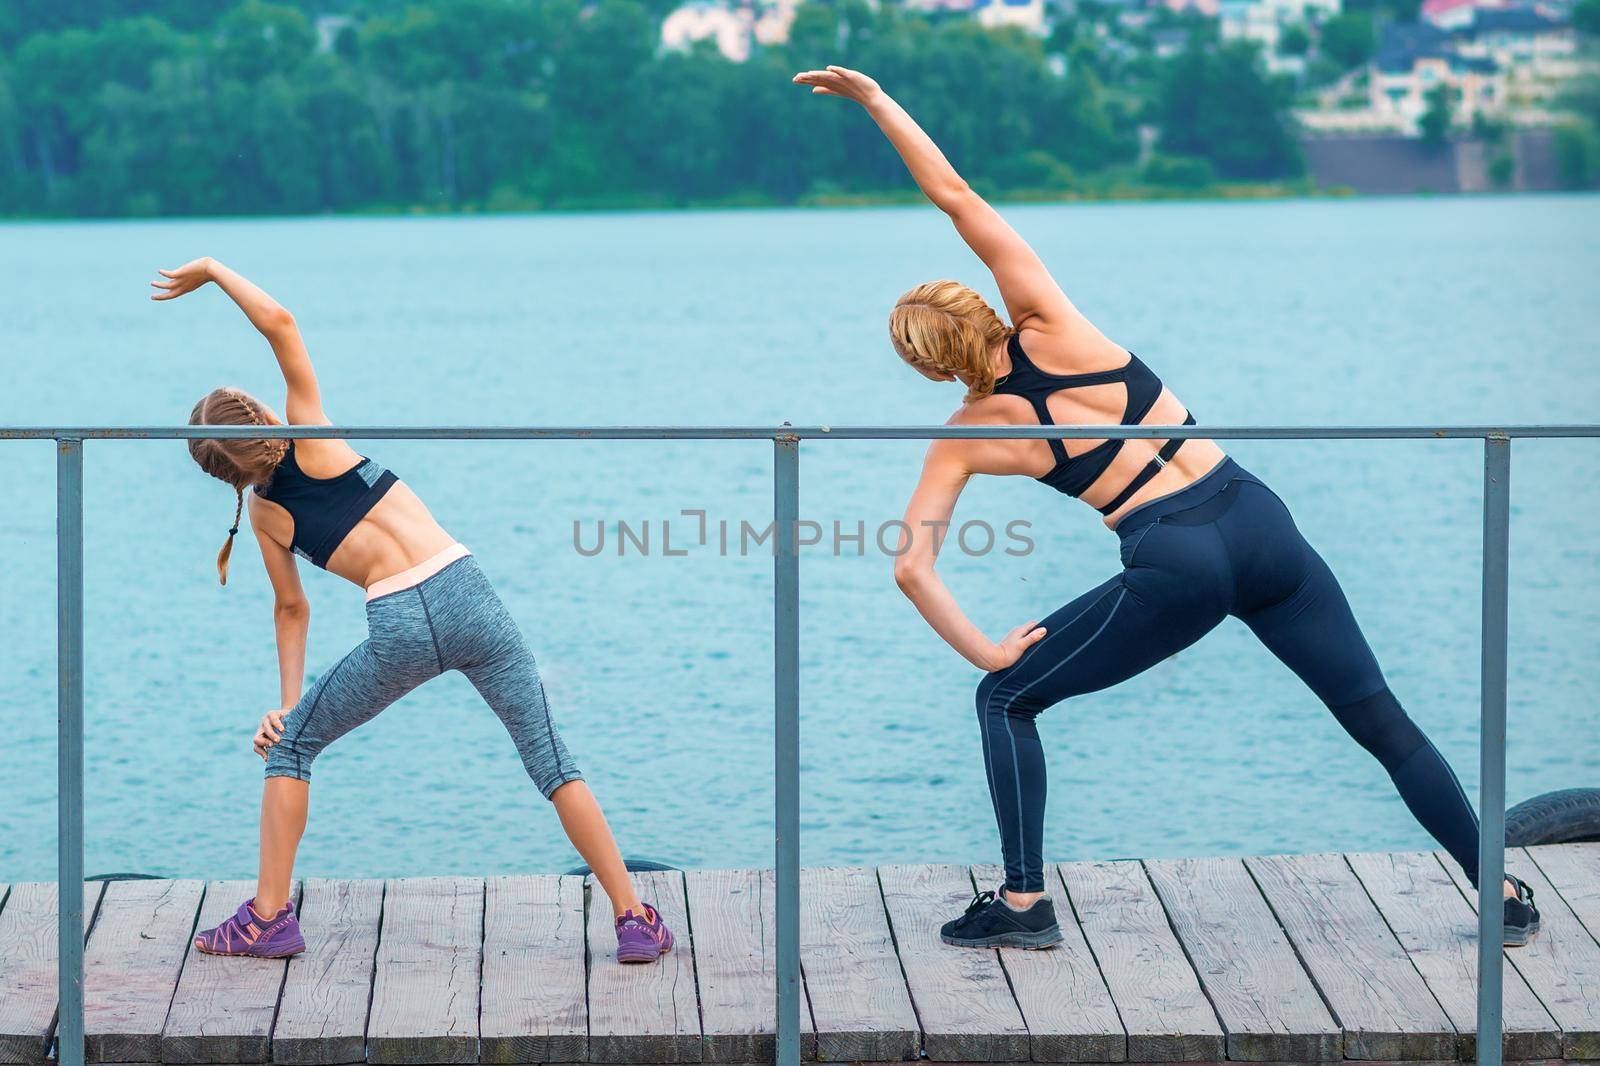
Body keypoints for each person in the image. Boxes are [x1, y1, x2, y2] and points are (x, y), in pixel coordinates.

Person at [791, 65, 1540, 949]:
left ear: (927, 364)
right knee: (1378, 716)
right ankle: (1498, 893)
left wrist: (988, 648)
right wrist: (880, 101)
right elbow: (953, 194)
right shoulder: (1055, 322)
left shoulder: (965, 433)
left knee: (1005, 698)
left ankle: (1025, 905)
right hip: (1258, 518)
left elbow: (912, 567)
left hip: (1173, 561)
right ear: (983, 305)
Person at [156, 257, 673, 963]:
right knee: (552, 762)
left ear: (225, 475)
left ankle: (268, 918)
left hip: (397, 623)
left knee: (292, 748)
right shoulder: (314, 438)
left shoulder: (267, 514)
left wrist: (287, 706)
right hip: (468, 593)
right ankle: (633, 917)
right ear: (262, 416)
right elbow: (281, 324)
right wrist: (216, 271)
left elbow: (291, 610)